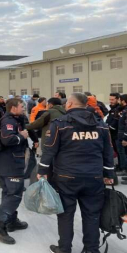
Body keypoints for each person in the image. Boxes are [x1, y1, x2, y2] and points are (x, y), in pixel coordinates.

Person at [37, 93, 114, 253]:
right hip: (94, 177)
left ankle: (64, 249)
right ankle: (91, 250)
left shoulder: (59, 124)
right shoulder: (100, 124)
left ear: (70, 104)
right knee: (92, 215)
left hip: (66, 178)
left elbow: (49, 150)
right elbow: (108, 151)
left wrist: (42, 171)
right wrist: (109, 174)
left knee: (65, 215)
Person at [0, 98, 30, 245]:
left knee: (8, 193)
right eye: (21, 106)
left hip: (7, 163)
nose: (23, 108)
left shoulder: (14, 119)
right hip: (11, 163)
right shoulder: (8, 121)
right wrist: (21, 136)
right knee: (14, 195)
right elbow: (7, 140)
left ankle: (11, 220)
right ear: (13, 108)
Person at [26, 98, 66, 181]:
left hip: (49, 141)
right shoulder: (66, 112)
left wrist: (25, 126)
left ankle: (50, 182)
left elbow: (37, 123)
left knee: (48, 163)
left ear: (51, 104)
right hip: (63, 143)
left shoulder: (50, 112)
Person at [106, 93, 122, 169]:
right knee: (117, 150)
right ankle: (119, 165)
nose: (111, 101)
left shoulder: (119, 109)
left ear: (118, 99)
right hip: (112, 133)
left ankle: (122, 167)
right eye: (110, 99)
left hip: (117, 133)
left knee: (120, 151)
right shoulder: (112, 109)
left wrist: (110, 127)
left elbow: (117, 121)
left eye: (112, 99)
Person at [117, 94, 127, 177]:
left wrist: (125, 138)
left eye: (120, 100)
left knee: (124, 153)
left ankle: (124, 170)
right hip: (121, 135)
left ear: (123, 101)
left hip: (124, 136)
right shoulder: (123, 110)